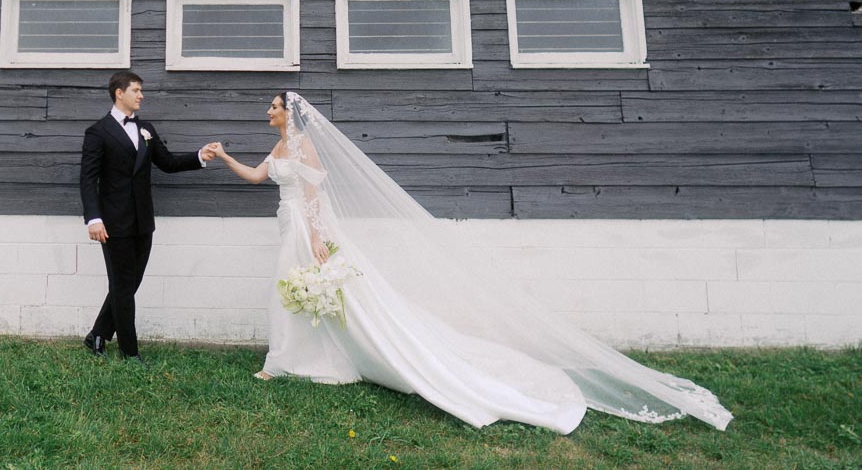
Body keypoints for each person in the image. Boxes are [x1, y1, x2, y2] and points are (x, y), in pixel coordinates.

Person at [213, 91, 733, 433]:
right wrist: (222, 156)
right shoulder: (279, 145)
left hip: (305, 230)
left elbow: (314, 195)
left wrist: (322, 240)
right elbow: (261, 178)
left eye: (274, 107)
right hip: (286, 224)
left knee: (306, 293)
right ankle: (301, 359)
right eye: (271, 109)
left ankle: (285, 361)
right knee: (297, 297)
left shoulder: (302, 145)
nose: (269, 112)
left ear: (291, 112)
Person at [80, 70, 220, 364]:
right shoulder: (97, 132)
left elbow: (167, 163)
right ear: (119, 93)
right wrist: (94, 219)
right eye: (136, 90)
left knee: (128, 284)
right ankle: (130, 353)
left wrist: (198, 156)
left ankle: (96, 335)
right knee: (122, 286)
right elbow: (87, 179)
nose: (141, 95)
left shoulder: (147, 129)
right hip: (113, 223)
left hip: (144, 222)